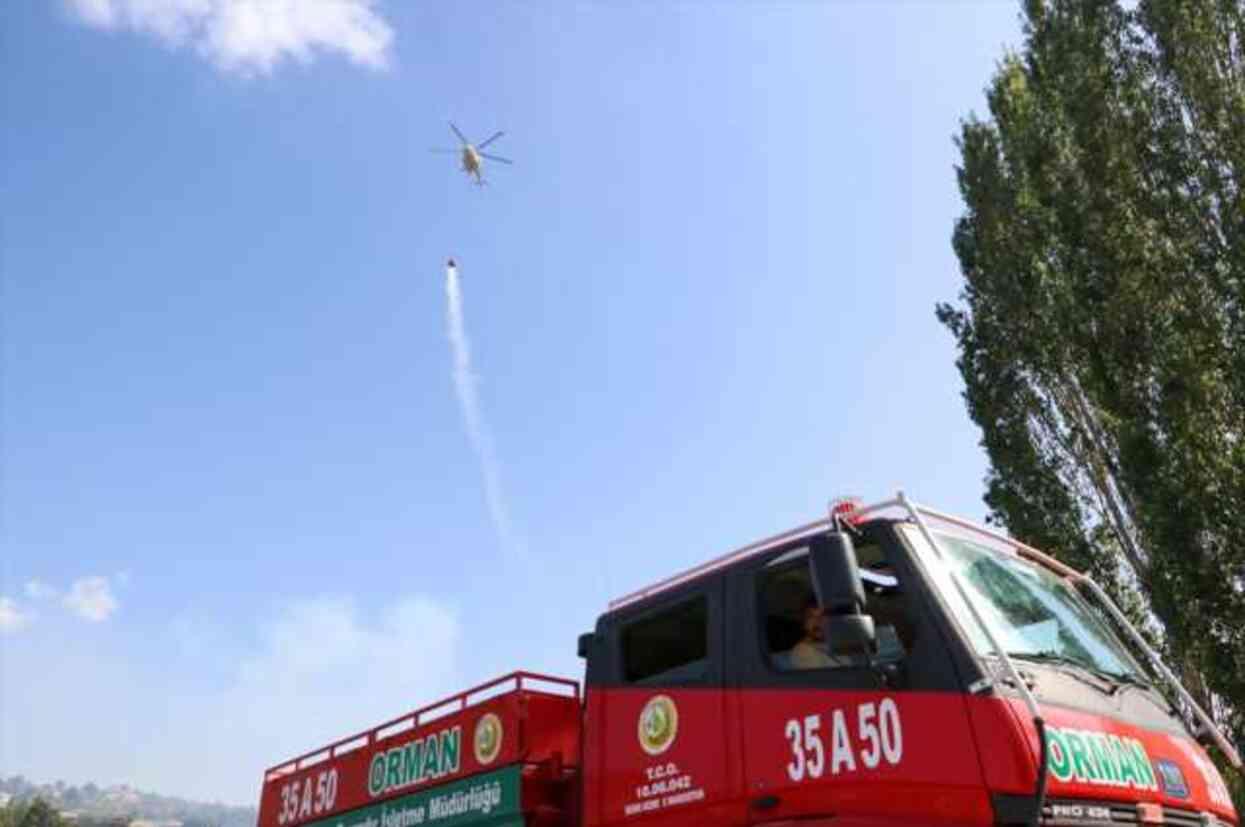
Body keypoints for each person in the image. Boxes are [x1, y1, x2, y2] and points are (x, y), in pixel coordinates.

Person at [787, 598, 854, 669]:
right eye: (811, 617)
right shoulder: (803, 652)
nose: (817, 622)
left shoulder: (845, 646)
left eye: (823, 616)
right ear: (804, 622)